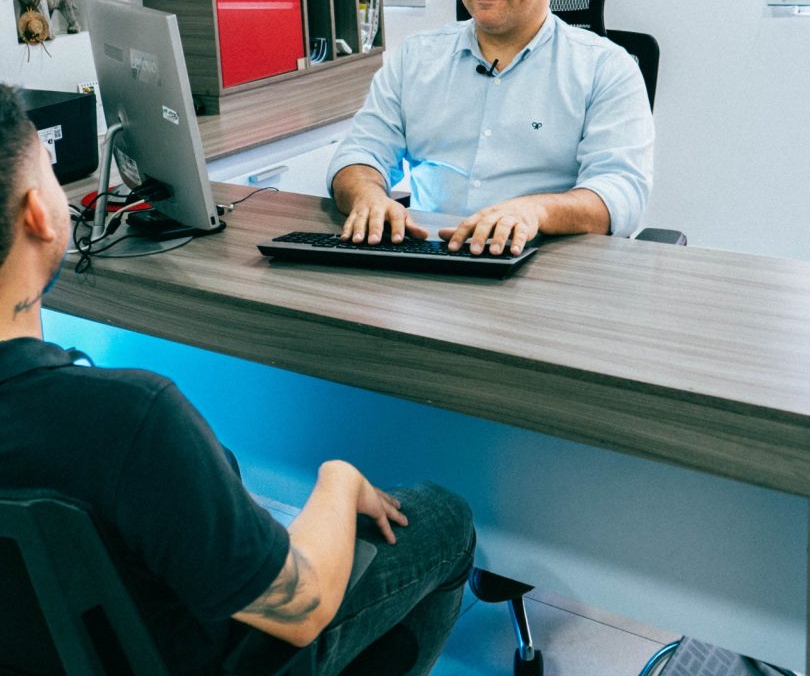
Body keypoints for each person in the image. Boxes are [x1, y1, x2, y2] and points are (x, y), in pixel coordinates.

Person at [0, 83, 474, 676]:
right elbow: (300, 607)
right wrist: (338, 480)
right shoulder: (128, 419)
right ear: (38, 214)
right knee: (445, 516)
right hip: (222, 656)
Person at [329, 0, 654, 256]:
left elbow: (620, 194)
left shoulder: (606, 69)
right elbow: (358, 154)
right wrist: (368, 196)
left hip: (546, 264)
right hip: (432, 257)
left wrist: (535, 211)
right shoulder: (414, 59)